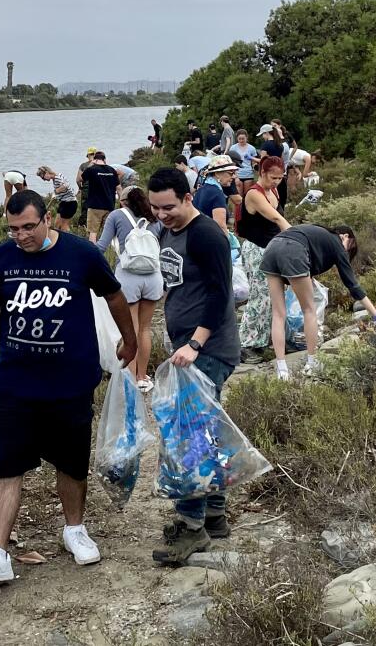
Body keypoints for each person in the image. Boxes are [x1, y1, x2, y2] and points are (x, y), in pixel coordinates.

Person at [0, 191, 137, 583]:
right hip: (15, 383)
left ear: (48, 218)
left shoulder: (81, 254)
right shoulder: (0, 260)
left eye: (29, 227)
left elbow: (114, 295)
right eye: (14, 229)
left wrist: (130, 338)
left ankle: (75, 530)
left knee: (71, 462)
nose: (21, 236)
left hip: (70, 382)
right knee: (6, 465)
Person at [146, 168, 241, 564]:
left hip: (209, 348)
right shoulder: (167, 230)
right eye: (155, 207)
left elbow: (221, 294)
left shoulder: (206, 234)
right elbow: (174, 283)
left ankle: (191, 527)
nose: (161, 214)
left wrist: (196, 343)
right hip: (188, 345)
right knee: (206, 431)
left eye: (168, 206)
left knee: (188, 437)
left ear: (188, 198)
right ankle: (215, 515)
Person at [261, 224, 376, 380]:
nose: (347, 251)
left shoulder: (318, 235)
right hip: (293, 250)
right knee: (309, 311)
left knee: (278, 314)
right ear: (345, 236)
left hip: (272, 248)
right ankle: (312, 363)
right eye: (351, 245)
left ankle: (282, 370)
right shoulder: (337, 242)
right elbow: (352, 285)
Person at [95, 187, 163, 390]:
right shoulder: (154, 217)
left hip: (128, 277)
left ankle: (132, 378)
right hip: (153, 277)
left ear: (123, 201)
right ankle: (143, 376)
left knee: (129, 331)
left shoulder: (116, 216)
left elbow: (101, 247)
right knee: (145, 329)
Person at [235, 156, 289, 355]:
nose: (276, 181)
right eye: (273, 177)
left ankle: (269, 338)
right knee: (261, 295)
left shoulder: (273, 190)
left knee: (276, 296)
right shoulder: (254, 194)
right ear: (262, 173)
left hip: (274, 247)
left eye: (280, 178)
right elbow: (276, 217)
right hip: (257, 250)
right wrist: (297, 238)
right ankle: (247, 344)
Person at [82, 151, 121, 243]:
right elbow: (118, 188)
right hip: (109, 205)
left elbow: (81, 178)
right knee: (108, 231)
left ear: (95, 159)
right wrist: (121, 200)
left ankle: (94, 252)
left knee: (93, 232)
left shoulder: (92, 169)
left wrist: (90, 164)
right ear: (105, 160)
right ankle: (110, 252)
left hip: (94, 206)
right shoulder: (112, 170)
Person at [193, 155, 237, 233]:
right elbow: (220, 227)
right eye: (231, 173)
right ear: (217, 174)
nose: (234, 176)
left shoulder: (202, 189)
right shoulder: (216, 193)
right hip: (210, 239)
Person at [37, 166, 78, 232]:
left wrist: (56, 192)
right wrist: (56, 194)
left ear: (47, 172)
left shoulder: (58, 178)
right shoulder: (56, 177)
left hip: (70, 203)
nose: (43, 180)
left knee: (64, 227)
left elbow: (65, 186)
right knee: (56, 226)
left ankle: (67, 240)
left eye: (42, 177)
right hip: (63, 203)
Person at [258, 125, 289, 211]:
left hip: (269, 174)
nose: (263, 137)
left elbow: (262, 161)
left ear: (267, 133)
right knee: (280, 196)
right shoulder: (280, 145)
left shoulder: (266, 145)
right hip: (279, 173)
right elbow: (281, 160)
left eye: (263, 134)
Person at [228, 129, 258, 198]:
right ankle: (239, 209)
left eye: (243, 139)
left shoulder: (251, 148)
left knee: (247, 196)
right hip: (238, 174)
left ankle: (246, 209)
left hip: (248, 174)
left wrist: (255, 167)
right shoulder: (233, 148)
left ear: (246, 138)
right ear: (237, 138)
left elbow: (253, 162)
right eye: (239, 139)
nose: (241, 140)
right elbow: (231, 162)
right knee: (239, 196)